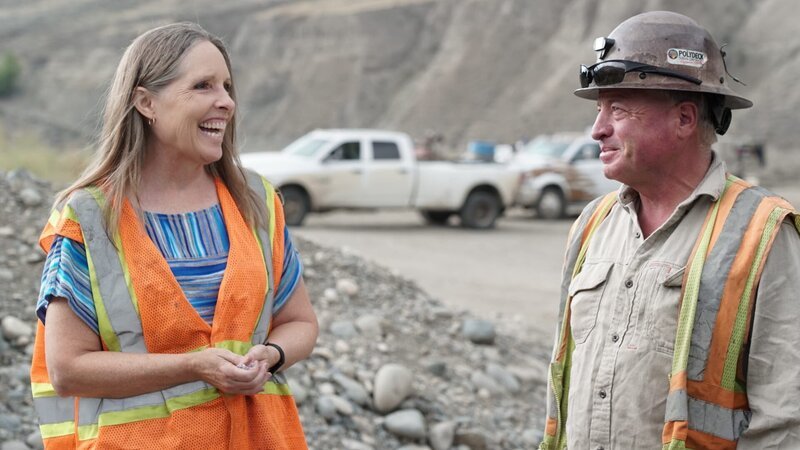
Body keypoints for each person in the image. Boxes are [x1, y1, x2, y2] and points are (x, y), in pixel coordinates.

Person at [30, 23, 318, 449]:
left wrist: (271, 356)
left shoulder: (256, 201)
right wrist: (193, 367)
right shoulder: (90, 217)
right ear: (146, 102)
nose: (226, 102)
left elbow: (300, 323)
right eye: (202, 86)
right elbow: (68, 369)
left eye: (226, 86)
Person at [540, 11, 800, 450]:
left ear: (684, 119)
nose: (597, 129)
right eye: (600, 108)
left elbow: (786, 421)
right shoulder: (592, 225)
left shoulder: (764, 233)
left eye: (617, 109)